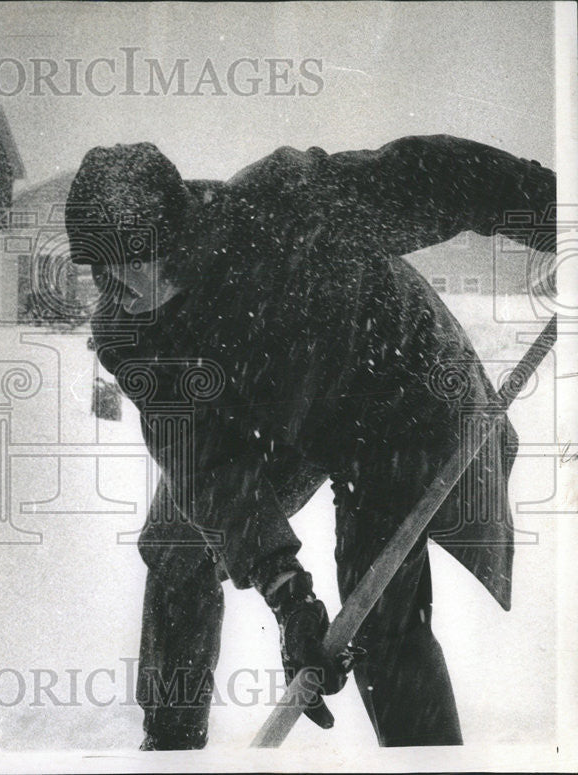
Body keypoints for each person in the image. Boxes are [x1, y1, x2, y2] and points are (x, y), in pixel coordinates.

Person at [65, 136, 556, 749]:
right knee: (176, 545)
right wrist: (287, 595)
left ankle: (429, 762)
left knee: (381, 622)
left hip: (394, 392)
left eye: (132, 258)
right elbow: (209, 469)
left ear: (176, 234)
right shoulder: (131, 332)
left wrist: (556, 214)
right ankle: (169, 750)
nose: (117, 283)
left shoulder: (286, 207)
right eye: (97, 265)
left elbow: (436, 176)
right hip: (282, 418)